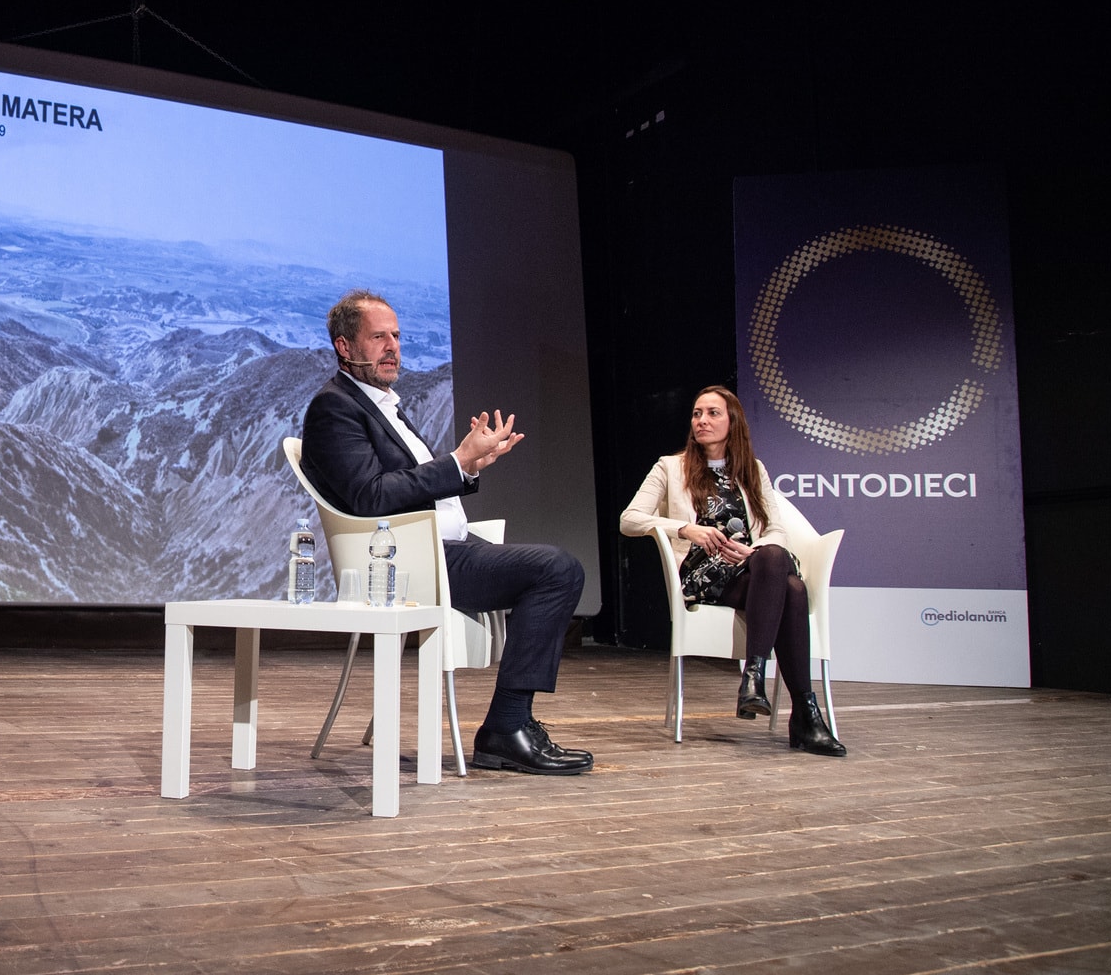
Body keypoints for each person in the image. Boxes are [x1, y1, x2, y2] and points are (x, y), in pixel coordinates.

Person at [299, 290, 591, 775]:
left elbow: (415, 481)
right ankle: (507, 727)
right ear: (344, 347)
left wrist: (470, 464)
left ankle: (513, 724)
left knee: (551, 569)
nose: (392, 346)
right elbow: (371, 496)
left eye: (396, 335)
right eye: (378, 337)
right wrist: (457, 461)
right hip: (405, 560)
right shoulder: (334, 409)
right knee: (557, 570)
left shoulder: (383, 405)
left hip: (443, 548)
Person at [619, 385, 845, 756]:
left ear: (732, 421)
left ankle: (757, 680)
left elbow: (775, 530)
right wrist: (685, 529)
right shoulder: (670, 467)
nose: (702, 421)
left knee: (776, 563)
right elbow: (630, 519)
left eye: (712, 413)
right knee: (792, 588)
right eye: (697, 413)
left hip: (751, 570)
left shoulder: (753, 470)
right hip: (703, 574)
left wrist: (751, 551)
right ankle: (803, 714)